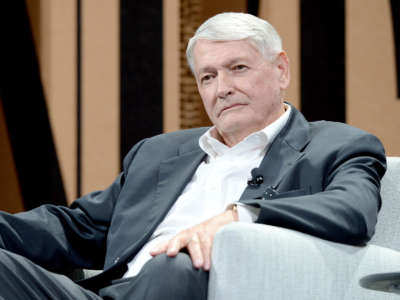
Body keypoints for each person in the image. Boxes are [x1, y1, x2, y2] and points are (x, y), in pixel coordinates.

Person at [0, 12, 386, 300]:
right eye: (208, 76)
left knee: (173, 265)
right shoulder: (157, 153)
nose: (222, 88)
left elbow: (352, 210)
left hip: (186, 285)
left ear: (280, 70)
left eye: (237, 68)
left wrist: (239, 217)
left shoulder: (337, 144)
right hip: (108, 293)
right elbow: (78, 228)